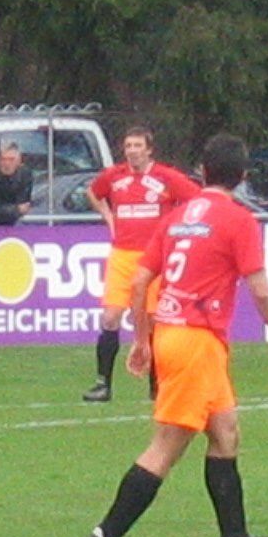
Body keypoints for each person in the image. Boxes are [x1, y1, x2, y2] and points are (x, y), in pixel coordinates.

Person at [84, 133, 268, 537]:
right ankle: (105, 536)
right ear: (243, 176)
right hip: (196, 339)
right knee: (167, 445)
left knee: (226, 431)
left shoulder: (178, 216)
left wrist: (141, 339)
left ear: (202, 171)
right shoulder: (238, 219)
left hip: (175, 334)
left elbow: (140, 281)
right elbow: (260, 289)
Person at [81, 127, 201, 402]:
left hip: (154, 258)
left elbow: (196, 199)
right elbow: (93, 192)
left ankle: (156, 385)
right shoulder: (115, 176)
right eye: (128, 146)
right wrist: (108, 217)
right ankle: (102, 384)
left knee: (152, 320)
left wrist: (177, 228)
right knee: (110, 317)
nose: (132, 151)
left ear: (149, 150)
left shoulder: (166, 177)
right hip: (122, 256)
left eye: (137, 145)